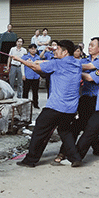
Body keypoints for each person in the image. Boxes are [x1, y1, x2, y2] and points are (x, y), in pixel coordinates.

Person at [15, 40, 83, 168]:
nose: (54, 51)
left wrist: (20, 60)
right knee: (64, 131)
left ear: (65, 51)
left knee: (40, 130)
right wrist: (54, 51)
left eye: (57, 49)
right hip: (70, 108)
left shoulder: (58, 63)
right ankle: (75, 158)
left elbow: (36, 66)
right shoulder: (77, 63)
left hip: (56, 106)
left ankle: (31, 160)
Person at [54, 37, 99, 163]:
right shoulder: (85, 59)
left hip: (97, 99)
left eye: (92, 45)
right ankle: (66, 151)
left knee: (88, 126)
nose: (89, 47)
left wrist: (72, 67)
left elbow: (89, 71)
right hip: (85, 98)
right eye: (89, 45)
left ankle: (67, 152)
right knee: (82, 125)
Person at [22, 44, 41, 109]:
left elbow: (39, 66)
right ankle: (24, 104)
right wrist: (23, 74)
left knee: (35, 92)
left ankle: (35, 104)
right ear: (29, 49)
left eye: (34, 49)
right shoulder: (25, 56)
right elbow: (22, 66)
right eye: (32, 49)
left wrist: (40, 75)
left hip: (36, 76)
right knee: (25, 91)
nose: (33, 50)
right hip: (27, 76)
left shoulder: (38, 57)